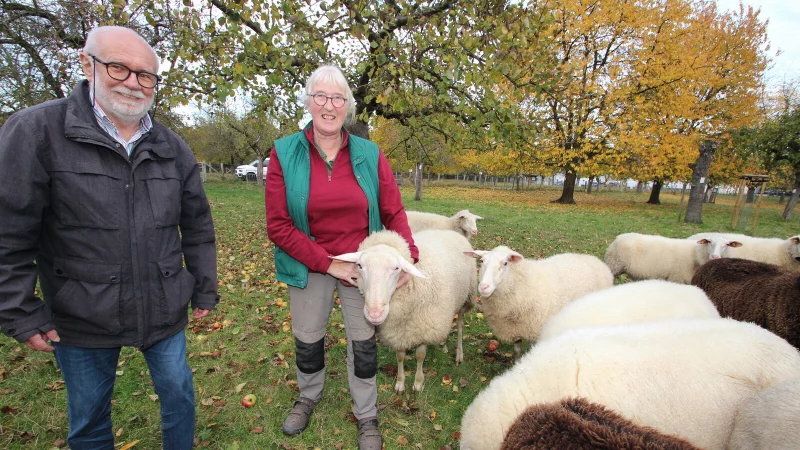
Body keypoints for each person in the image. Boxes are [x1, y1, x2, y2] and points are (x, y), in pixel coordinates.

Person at [0, 26, 219, 450]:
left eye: (146, 75)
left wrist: (204, 291)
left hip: (163, 307)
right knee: (89, 418)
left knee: (179, 395)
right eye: (119, 68)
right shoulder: (36, 132)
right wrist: (20, 311)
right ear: (88, 65)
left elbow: (197, 226)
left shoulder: (172, 147)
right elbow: (8, 232)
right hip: (81, 313)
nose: (134, 83)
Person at [265, 64, 419, 450]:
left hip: (363, 266)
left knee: (364, 340)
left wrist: (409, 258)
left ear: (347, 105)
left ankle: (366, 415)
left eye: (337, 98)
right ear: (308, 102)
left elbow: (394, 212)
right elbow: (279, 225)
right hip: (308, 259)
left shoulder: (369, 153)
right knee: (308, 337)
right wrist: (327, 262)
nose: (328, 105)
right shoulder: (284, 152)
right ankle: (308, 395)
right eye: (320, 96)